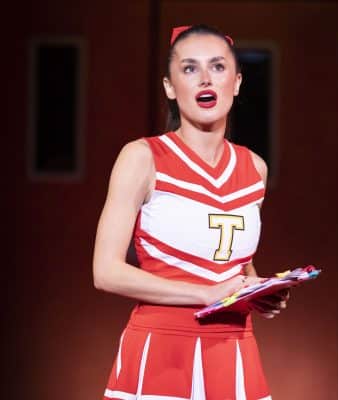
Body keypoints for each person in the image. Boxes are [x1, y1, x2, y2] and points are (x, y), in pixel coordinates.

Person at [93, 24, 289, 400]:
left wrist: (258, 289)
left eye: (218, 66)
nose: (205, 79)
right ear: (170, 87)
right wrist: (205, 293)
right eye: (189, 68)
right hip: (161, 351)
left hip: (234, 351)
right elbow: (105, 271)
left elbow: (233, 262)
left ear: (237, 82)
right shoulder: (142, 157)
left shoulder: (255, 168)